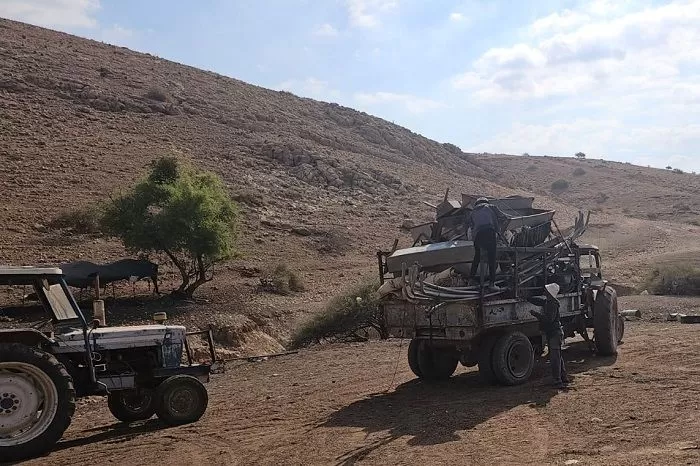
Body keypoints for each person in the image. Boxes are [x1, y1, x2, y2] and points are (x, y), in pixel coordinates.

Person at [528, 283, 570, 389]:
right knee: (557, 356)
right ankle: (563, 377)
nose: (544, 291)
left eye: (546, 290)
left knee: (555, 358)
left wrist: (536, 314)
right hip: (555, 333)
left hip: (554, 333)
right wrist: (528, 298)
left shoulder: (552, 304)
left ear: (549, 293)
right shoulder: (549, 302)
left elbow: (549, 320)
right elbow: (539, 301)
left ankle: (558, 381)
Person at [467, 197, 507, 291]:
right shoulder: (491, 206)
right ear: (486, 202)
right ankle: (491, 284)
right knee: (492, 258)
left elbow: (471, 226)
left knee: (477, 257)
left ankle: (471, 279)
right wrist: (498, 228)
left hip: (478, 236)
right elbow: (504, 217)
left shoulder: (473, 212)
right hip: (489, 233)